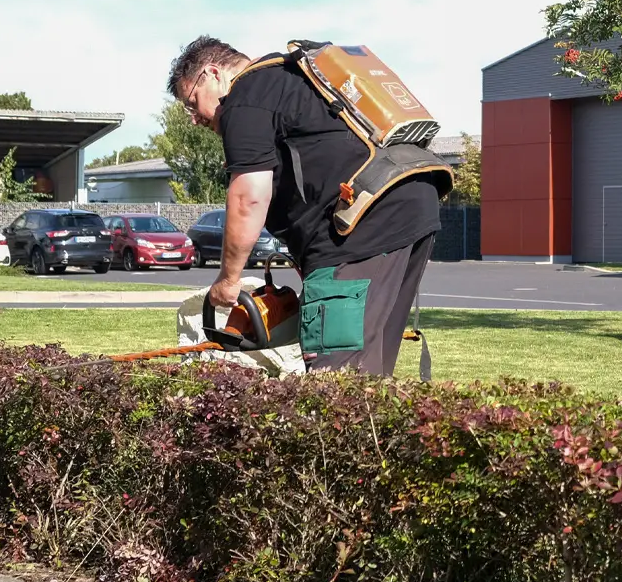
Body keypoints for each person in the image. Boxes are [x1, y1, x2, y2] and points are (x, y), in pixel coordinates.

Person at [167, 36, 442, 376]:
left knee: (335, 378)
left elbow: (249, 195)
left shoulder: (244, 96)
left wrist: (228, 280)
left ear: (212, 74)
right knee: (370, 369)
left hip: (361, 228)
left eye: (192, 103)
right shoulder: (290, 79)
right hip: (413, 202)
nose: (194, 118)